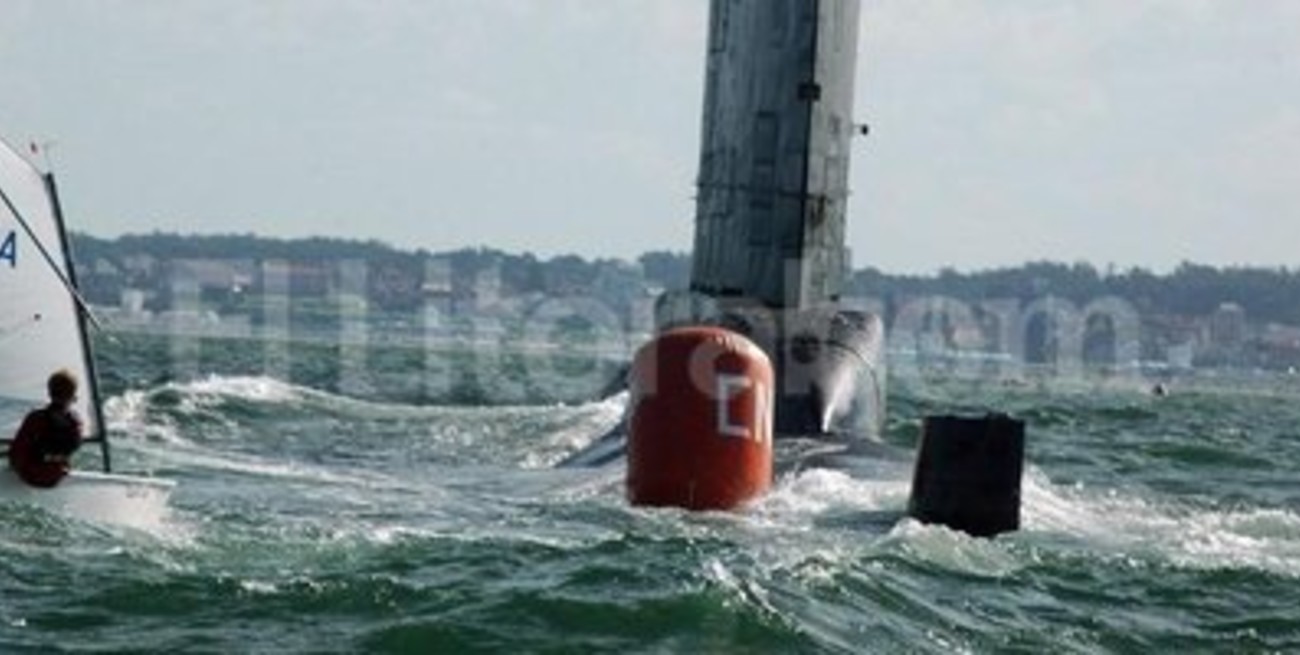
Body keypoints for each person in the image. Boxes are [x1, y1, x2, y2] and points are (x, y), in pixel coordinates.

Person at [7, 369, 84, 488]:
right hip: (57, 476)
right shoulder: (76, 423)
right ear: (73, 397)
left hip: (28, 475)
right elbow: (73, 446)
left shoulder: (35, 418)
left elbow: (17, 452)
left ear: (49, 393)